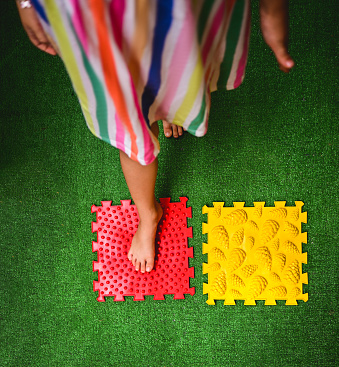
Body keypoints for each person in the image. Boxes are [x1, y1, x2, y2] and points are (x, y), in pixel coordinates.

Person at [16, 0, 294, 274]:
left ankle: (170, 110)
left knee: (183, 66)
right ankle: (147, 214)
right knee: (130, 122)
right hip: (100, 15)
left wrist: (273, 8)